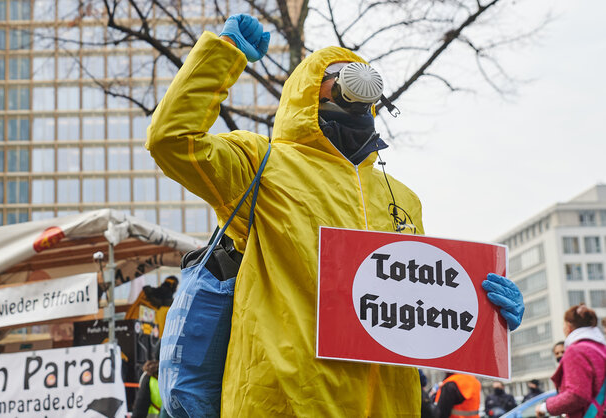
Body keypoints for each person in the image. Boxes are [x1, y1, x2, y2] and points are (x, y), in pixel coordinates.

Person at [146, 13, 524, 416]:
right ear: (309, 91)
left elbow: (415, 308)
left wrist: (483, 317)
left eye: (361, 72)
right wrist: (225, 54)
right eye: (340, 73)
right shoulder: (263, 167)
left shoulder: (401, 198)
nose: (357, 79)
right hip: (286, 403)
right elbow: (172, 139)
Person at [536, 304, 606, 418]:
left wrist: (546, 407)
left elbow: (577, 395)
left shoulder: (575, 350)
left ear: (568, 326)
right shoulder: (601, 349)